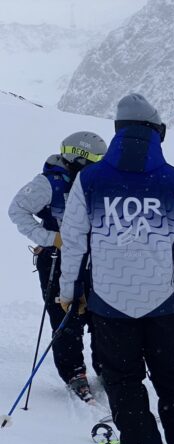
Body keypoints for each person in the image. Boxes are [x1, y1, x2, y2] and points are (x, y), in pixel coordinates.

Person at [58, 93, 174, 444]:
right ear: (157, 134)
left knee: (124, 381)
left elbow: (74, 241)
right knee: (171, 377)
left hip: (109, 303)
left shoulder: (89, 180)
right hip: (161, 301)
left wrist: (69, 292)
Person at [8, 132, 107, 402]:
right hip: (56, 259)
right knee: (65, 313)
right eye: (95, 161)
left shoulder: (92, 180)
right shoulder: (48, 183)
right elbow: (16, 210)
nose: (100, 166)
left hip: (93, 258)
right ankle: (74, 372)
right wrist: (51, 239)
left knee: (101, 313)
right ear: (78, 158)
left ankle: (106, 367)